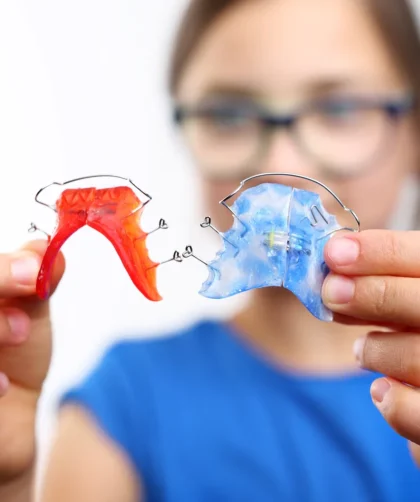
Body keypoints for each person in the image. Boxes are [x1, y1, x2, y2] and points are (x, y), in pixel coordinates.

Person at [2, 0, 420, 500]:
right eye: (229, 115)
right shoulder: (124, 406)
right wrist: (11, 483)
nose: (282, 166)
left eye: (339, 109)